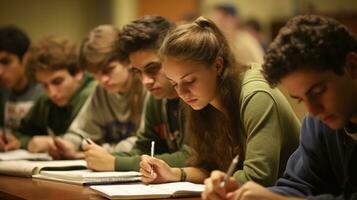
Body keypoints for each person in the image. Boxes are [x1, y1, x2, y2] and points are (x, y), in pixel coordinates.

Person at [202, 15, 357, 200]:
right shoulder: (317, 122)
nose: (313, 110)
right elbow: (299, 185)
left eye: (317, 92)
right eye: (300, 99)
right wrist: (240, 190)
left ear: (352, 66)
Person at [139, 17, 300, 186]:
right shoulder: (204, 99)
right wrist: (172, 173)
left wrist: (214, 181)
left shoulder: (256, 97)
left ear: (217, 65)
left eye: (190, 81)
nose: (182, 93)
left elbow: (258, 179)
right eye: (174, 84)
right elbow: (209, 168)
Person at [78, 16, 192, 172]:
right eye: (137, 72)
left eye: (152, 68)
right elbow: (143, 148)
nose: (145, 81)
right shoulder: (156, 99)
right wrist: (105, 157)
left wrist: (114, 163)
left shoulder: (193, 94)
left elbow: (192, 157)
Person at [49, 25, 146, 160]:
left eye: (109, 70)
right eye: (96, 74)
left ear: (128, 61)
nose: (102, 80)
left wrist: (100, 150)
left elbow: (144, 143)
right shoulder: (101, 91)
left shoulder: (146, 87)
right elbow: (81, 131)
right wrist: (69, 144)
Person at [11, 36, 96, 153]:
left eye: (57, 82)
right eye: (44, 85)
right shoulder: (45, 101)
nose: (52, 93)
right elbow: (17, 135)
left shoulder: (94, 94)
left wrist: (50, 142)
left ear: (77, 72)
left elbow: (89, 139)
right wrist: (28, 142)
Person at [0, 26, 43, 151]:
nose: (0, 71)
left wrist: (23, 142)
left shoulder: (47, 89)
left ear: (25, 59)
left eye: (6, 62)